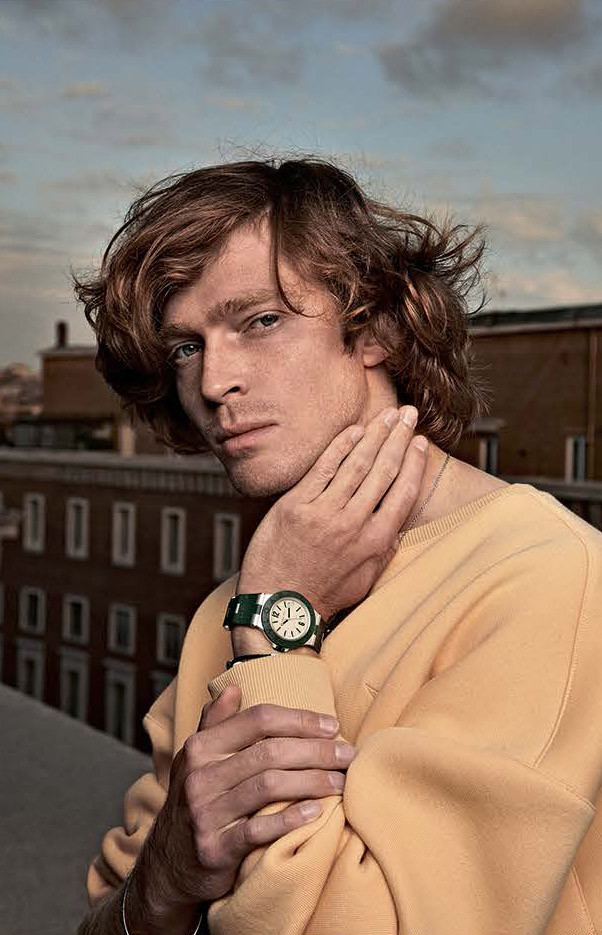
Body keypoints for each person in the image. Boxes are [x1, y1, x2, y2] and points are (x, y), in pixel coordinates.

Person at [75, 158, 602, 935]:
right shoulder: (232, 604)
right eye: (186, 346)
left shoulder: (549, 576)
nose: (214, 383)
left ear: (378, 328)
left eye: (260, 321)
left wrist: (277, 623)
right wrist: (163, 878)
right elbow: (106, 917)